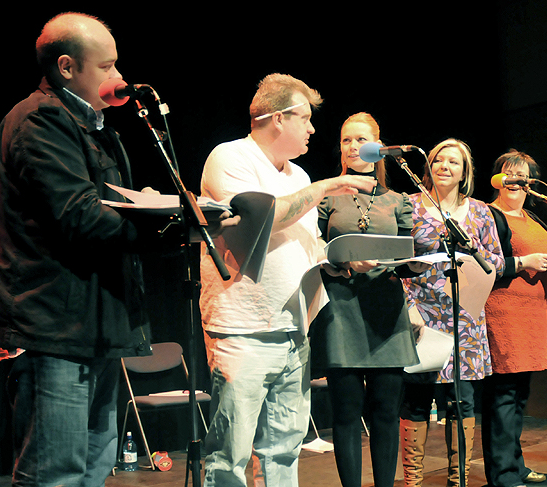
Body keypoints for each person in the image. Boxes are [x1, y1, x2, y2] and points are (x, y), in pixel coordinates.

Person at [0, 12, 163, 486]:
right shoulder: (40, 121)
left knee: (93, 465)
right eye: (106, 67)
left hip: (92, 326)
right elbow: (80, 214)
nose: (119, 78)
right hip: (52, 329)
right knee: (54, 472)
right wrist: (160, 224)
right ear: (67, 67)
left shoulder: (95, 125)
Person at [198, 74, 377, 487]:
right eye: (305, 119)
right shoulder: (230, 158)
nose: (313, 129)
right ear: (278, 119)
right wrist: (330, 185)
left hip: (294, 329)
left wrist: (340, 259)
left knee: (284, 448)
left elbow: (305, 241)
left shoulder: (298, 175)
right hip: (243, 329)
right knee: (230, 454)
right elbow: (262, 219)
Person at [309, 112, 422, 487]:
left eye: (361, 140)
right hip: (341, 309)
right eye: (345, 140)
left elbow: (407, 258)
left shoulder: (399, 200)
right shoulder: (325, 197)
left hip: (386, 312)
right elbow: (311, 250)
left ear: (379, 146)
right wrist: (339, 260)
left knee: (386, 412)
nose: (353, 147)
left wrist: (420, 262)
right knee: (345, 411)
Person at [400, 138, 505, 487]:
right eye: (438, 160)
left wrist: (474, 249)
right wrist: (407, 307)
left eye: (453, 162)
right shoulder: (409, 206)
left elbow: (498, 263)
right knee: (417, 399)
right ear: (428, 167)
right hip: (421, 315)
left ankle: (457, 479)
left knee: (462, 402)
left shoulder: (480, 212)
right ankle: (413, 481)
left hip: (465, 316)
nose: (445, 166)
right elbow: (395, 262)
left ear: (465, 172)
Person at [483, 150, 547, 487]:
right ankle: (502, 473)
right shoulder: (488, 214)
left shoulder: (533, 217)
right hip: (503, 312)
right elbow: (485, 263)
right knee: (504, 395)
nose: (514, 180)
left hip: (532, 314)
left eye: (522, 175)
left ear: (531, 182)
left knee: (519, 394)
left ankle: (515, 463)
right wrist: (525, 261)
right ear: (497, 178)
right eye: (508, 173)